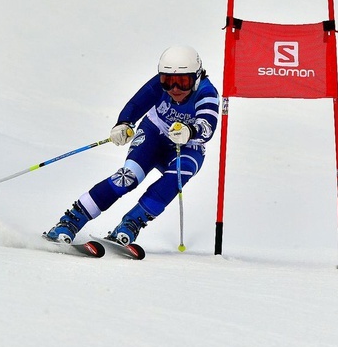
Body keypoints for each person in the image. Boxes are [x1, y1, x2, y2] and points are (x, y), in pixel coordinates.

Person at [44, 45, 220, 246]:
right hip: (155, 133)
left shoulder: (207, 93)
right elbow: (137, 103)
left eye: (183, 81)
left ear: (196, 77)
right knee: (128, 176)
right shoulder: (159, 86)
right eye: (167, 81)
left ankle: (131, 223)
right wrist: (124, 123)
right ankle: (70, 221)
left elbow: (208, 125)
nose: (174, 89)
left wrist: (190, 131)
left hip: (188, 144)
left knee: (180, 174)